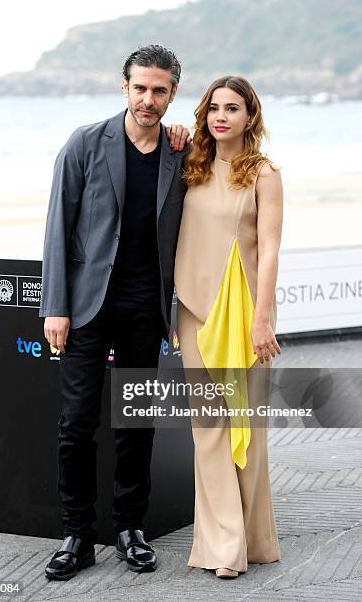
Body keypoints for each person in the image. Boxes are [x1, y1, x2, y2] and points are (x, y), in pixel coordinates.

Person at [39, 44, 191, 581]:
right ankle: (77, 534)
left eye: (160, 90)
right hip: (86, 305)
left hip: (145, 306)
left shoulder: (181, 153)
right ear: (123, 87)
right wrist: (54, 306)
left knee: (137, 423)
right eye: (141, 88)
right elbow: (58, 226)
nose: (149, 99)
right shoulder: (84, 143)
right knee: (75, 425)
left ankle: (130, 528)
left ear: (173, 93)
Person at [174, 75, 283, 578]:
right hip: (195, 312)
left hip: (245, 316)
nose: (222, 116)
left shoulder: (263, 174)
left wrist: (263, 319)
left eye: (233, 108)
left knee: (248, 428)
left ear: (249, 117)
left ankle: (254, 538)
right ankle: (223, 546)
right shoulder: (188, 165)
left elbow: (270, 250)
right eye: (214, 107)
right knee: (210, 428)